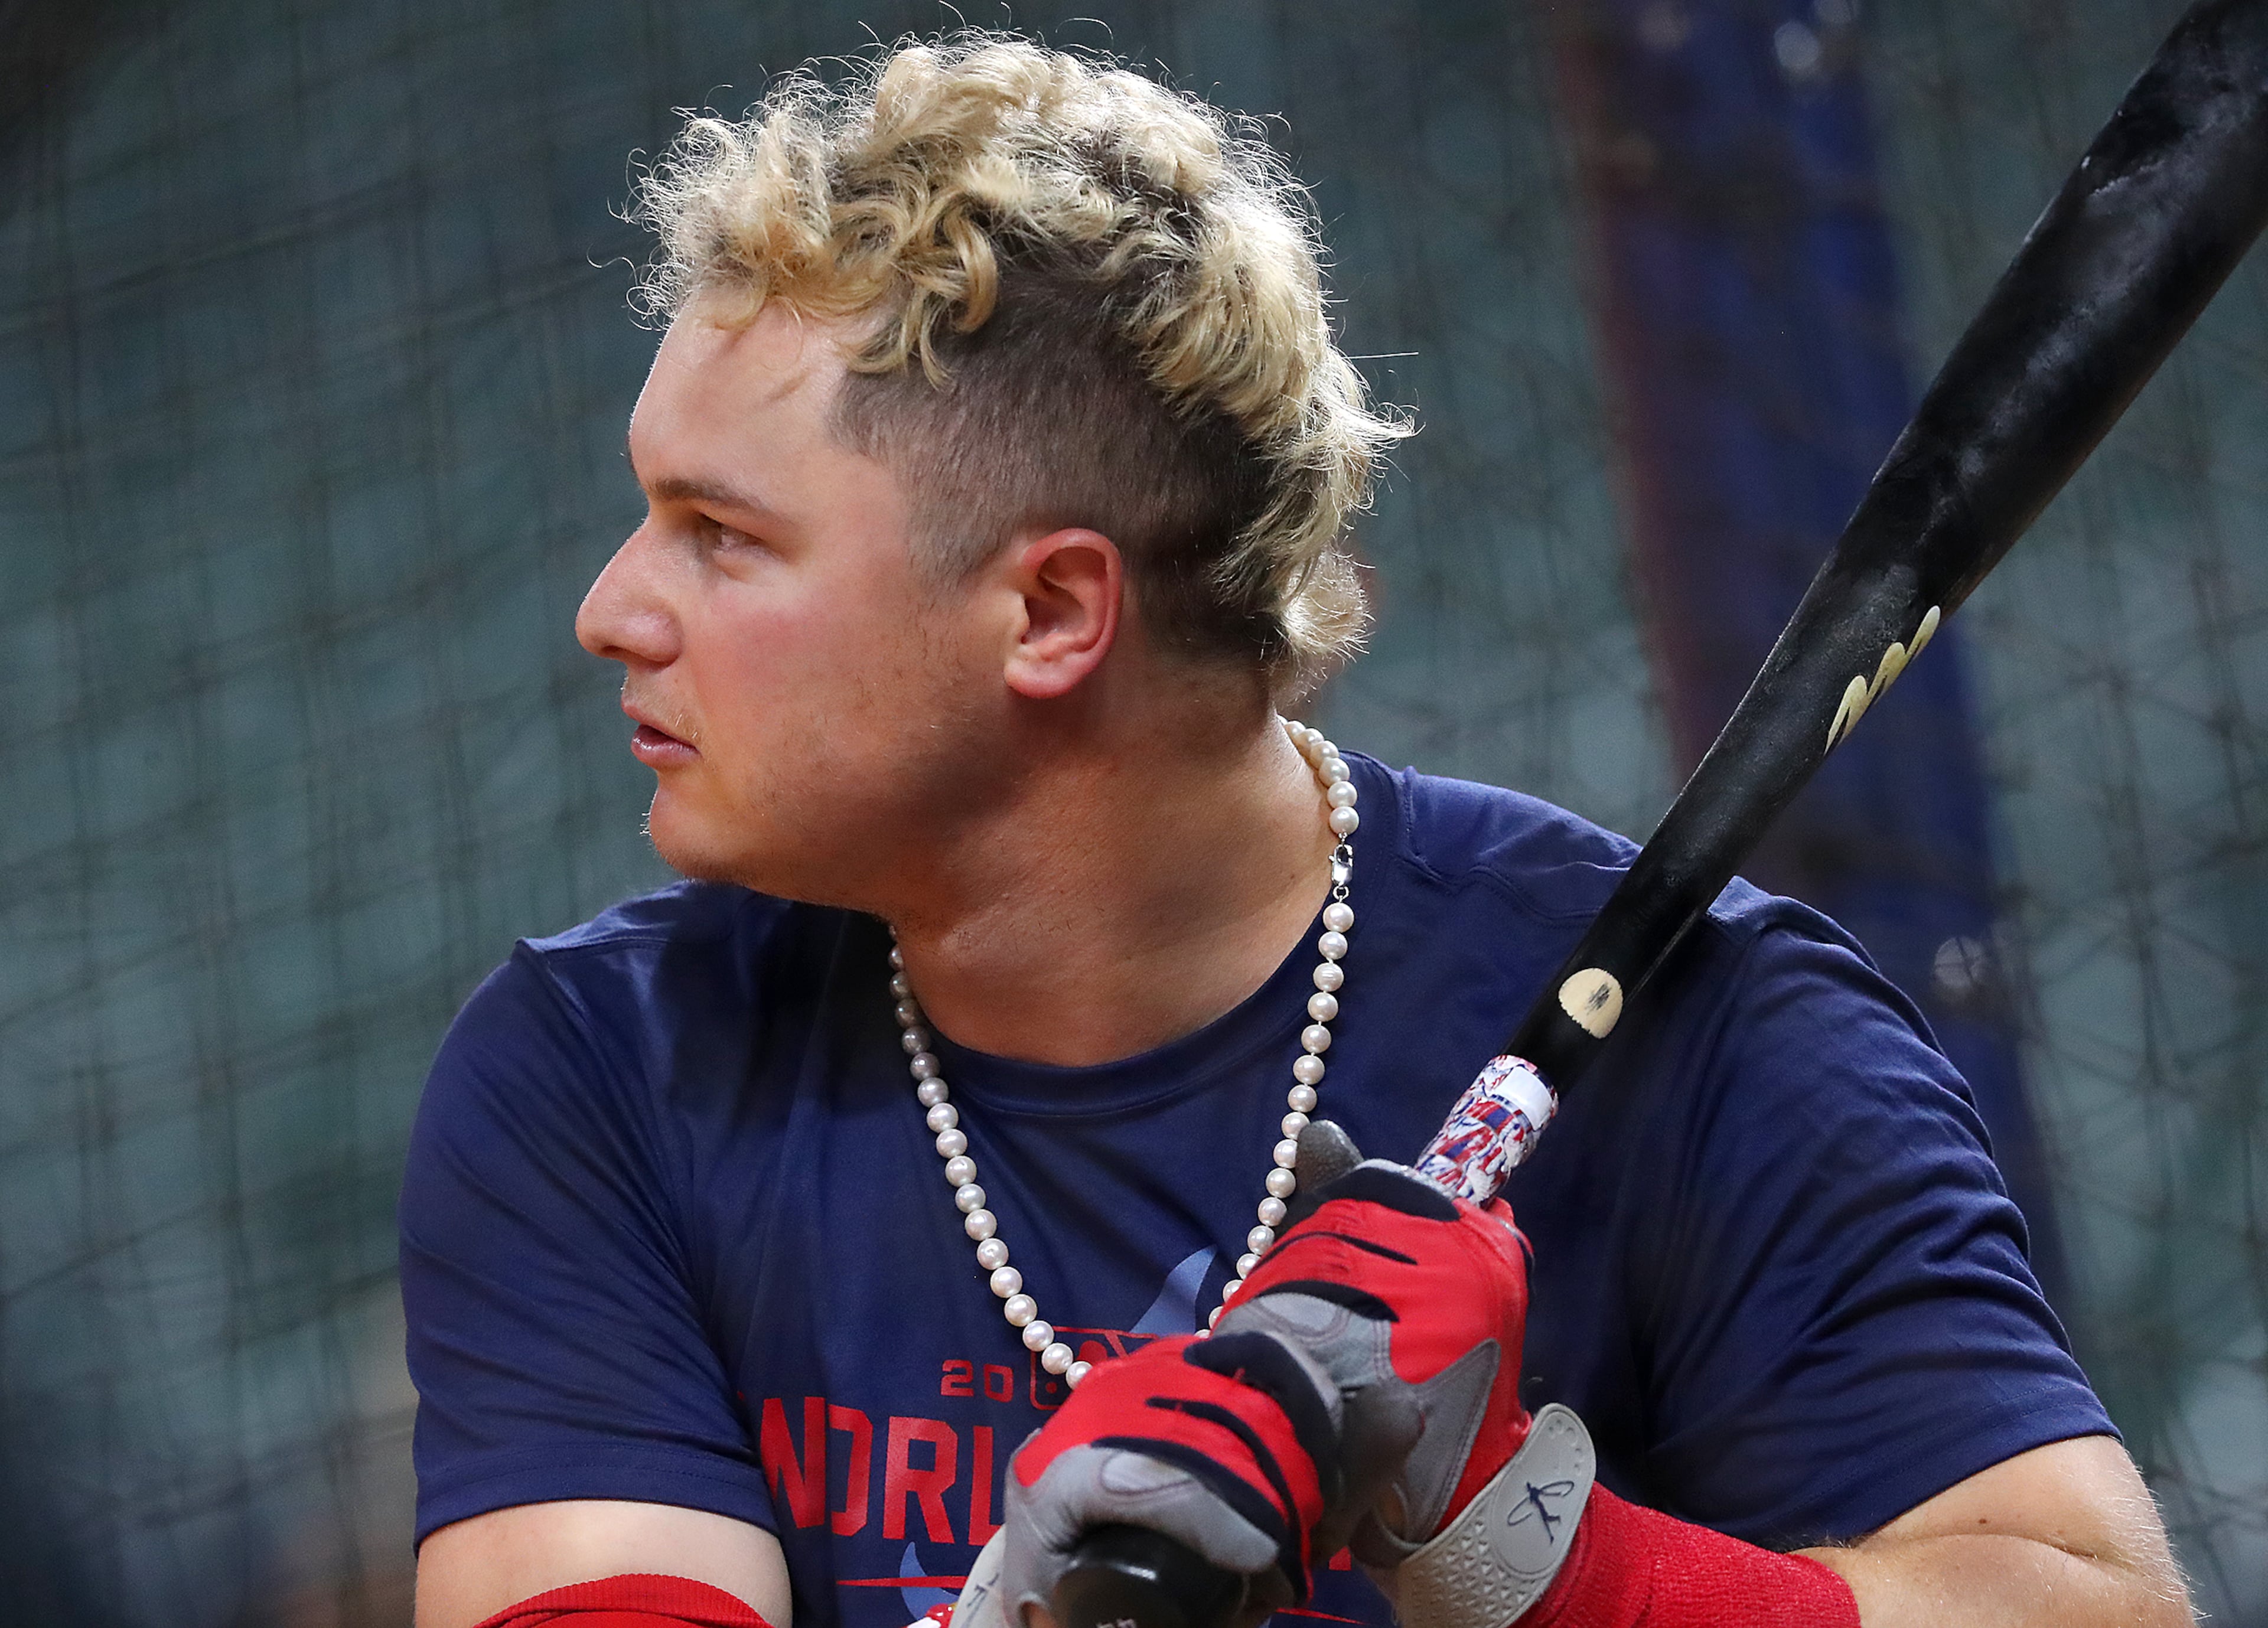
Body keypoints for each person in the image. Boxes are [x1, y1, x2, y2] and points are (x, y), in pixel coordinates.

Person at [398, 33, 2189, 1628]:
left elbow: (2086, 1607)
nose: (613, 609)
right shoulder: (601, 1075)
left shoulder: (1719, 1044)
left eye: (722, 534)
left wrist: (1526, 1554)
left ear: (1050, 616)